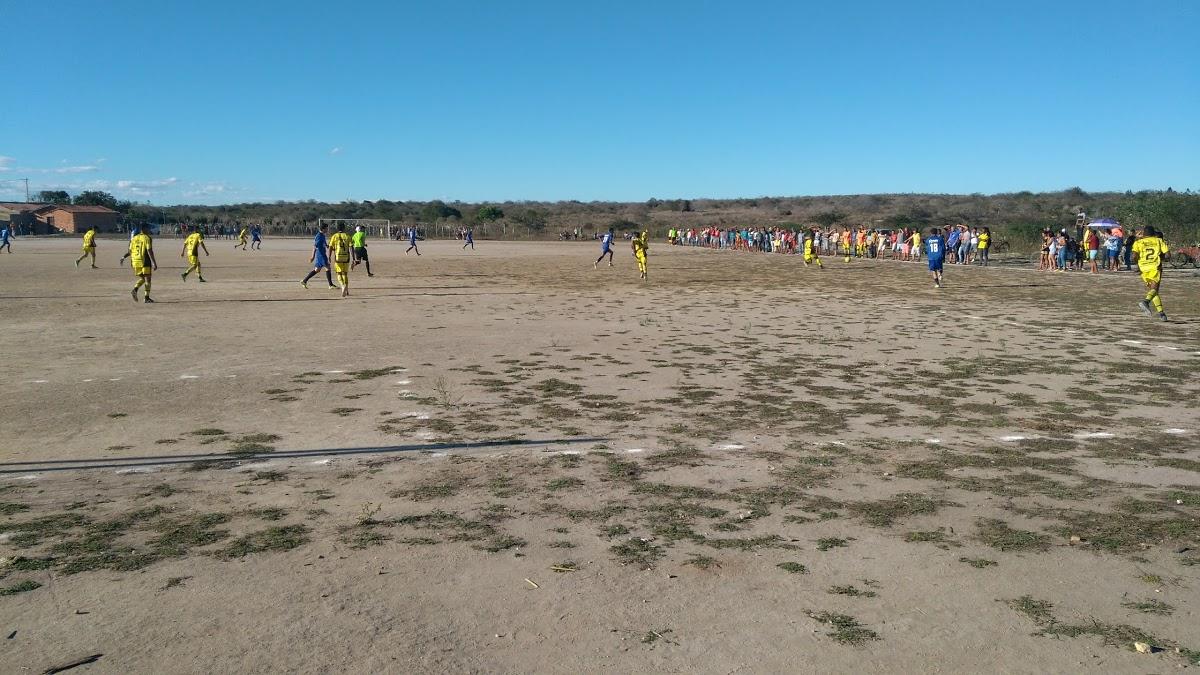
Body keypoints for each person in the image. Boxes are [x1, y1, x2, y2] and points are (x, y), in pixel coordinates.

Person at [1132, 226, 1169, 321]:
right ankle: (1146, 302)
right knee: (1155, 290)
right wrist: (1162, 258)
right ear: (1153, 233)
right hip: (1155, 267)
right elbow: (1168, 255)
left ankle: (1162, 314)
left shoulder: (1138, 242)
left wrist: (1139, 265)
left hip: (1143, 268)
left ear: (1144, 233)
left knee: (1153, 291)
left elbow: (1134, 257)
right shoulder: (1158, 241)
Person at [121, 227, 157, 303]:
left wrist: (127, 259)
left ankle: (135, 290)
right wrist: (154, 262)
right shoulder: (147, 238)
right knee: (148, 279)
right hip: (145, 261)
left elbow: (130, 251)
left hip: (135, 261)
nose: (149, 230)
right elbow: (149, 250)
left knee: (143, 279)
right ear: (144, 229)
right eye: (148, 229)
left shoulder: (133, 239)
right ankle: (146, 298)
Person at [301, 223, 336, 289]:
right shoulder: (319, 236)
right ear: (323, 229)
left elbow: (324, 245)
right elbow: (315, 246)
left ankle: (304, 281)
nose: (327, 229)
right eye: (326, 228)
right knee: (328, 267)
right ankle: (330, 285)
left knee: (317, 270)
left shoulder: (322, 235)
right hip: (321, 255)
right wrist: (312, 256)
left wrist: (330, 247)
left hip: (320, 255)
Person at [328, 223, 353, 298]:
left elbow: (330, 247)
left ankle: (342, 286)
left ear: (337, 228)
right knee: (345, 274)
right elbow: (351, 247)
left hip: (338, 257)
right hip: (346, 257)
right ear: (344, 228)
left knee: (339, 273)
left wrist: (329, 256)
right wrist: (354, 258)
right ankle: (347, 289)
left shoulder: (335, 236)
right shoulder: (347, 236)